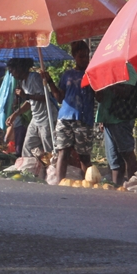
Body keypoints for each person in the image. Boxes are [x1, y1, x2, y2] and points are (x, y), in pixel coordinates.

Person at [43, 41, 95, 183]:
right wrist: (49, 81)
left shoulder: (92, 74)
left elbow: (100, 97)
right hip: (65, 118)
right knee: (63, 152)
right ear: (74, 57)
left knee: (84, 155)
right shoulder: (67, 75)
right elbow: (60, 97)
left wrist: (97, 83)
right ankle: (61, 183)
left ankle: (89, 184)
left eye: (86, 56)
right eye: (81, 57)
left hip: (84, 120)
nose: (84, 59)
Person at [5, 58, 56, 158]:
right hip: (36, 119)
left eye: (12, 71)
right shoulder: (23, 83)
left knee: (49, 150)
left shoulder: (34, 78)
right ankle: (29, 171)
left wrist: (26, 96)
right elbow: (29, 102)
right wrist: (15, 114)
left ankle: (52, 171)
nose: (12, 74)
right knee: (28, 148)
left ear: (19, 68)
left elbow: (46, 97)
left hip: (46, 118)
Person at [95, 80, 137, 187]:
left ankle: (134, 187)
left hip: (121, 119)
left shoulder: (128, 69)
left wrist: (109, 83)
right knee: (114, 161)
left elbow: (126, 92)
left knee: (127, 154)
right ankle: (117, 190)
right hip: (108, 119)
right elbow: (100, 98)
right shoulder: (105, 73)